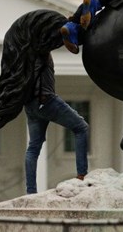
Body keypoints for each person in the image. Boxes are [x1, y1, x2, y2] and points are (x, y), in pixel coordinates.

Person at [23, 49, 88, 194]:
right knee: (81, 128)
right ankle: (82, 175)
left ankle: (31, 191)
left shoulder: (24, 55)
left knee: (33, 148)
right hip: (46, 100)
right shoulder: (41, 49)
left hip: (30, 105)